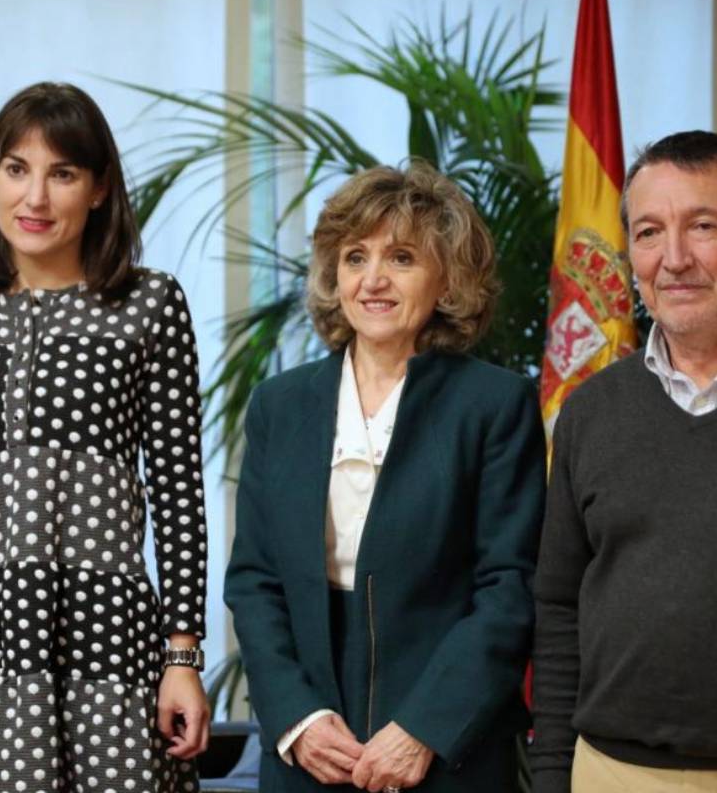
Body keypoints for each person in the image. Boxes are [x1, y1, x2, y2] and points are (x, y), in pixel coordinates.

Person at [0, 81, 211, 793]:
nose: (36, 198)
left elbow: (179, 493)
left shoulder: (149, 304)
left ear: (100, 189)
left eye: (63, 174)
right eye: (16, 169)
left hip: (102, 632)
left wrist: (182, 658)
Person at [225, 162, 546, 792]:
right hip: (309, 746)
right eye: (355, 257)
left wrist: (424, 728)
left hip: (448, 746)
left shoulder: (495, 405)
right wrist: (297, 718)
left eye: (401, 258)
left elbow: (511, 588)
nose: (373, 279)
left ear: (447, 278)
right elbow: (255, 581)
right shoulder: (278, 406)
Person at [531, 130, 717, 792]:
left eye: (703, 226)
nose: (674, 259)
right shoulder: (590, 411)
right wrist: (551, 774)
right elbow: (559, 606)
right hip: (610, 774)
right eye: (650, 232)